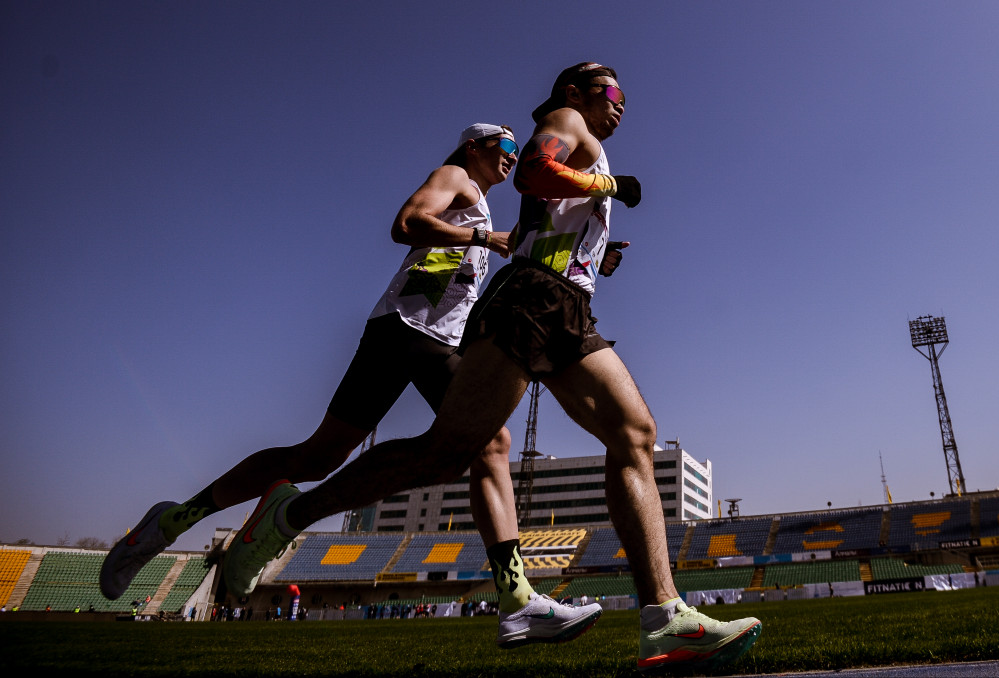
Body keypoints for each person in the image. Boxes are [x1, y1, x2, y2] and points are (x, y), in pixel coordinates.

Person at [221, 62, 761, 672]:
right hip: (531, 300)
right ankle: (290, 514)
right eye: (612, 93)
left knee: (634, 433)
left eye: (624, 99)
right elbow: (534, 171)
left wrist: (593, 254)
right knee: (450, 451)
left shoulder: (586, 142)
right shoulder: (567, 121)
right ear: (574, 91)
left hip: (565, 302)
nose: (620, 105)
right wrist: (613, 190)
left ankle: (666, 620)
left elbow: (546, 218)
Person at [100, 122, 606, 646]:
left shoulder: (479, 201)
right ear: (473, 147)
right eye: (501, 146)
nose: (509, 156)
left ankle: (172, 522)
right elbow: (408, 222)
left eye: (512, 149)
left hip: (417, 334)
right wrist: (481, 236)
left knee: (319, 457)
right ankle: (517, 598)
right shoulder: (454, 176)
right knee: (491, 441)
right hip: (409, 330)